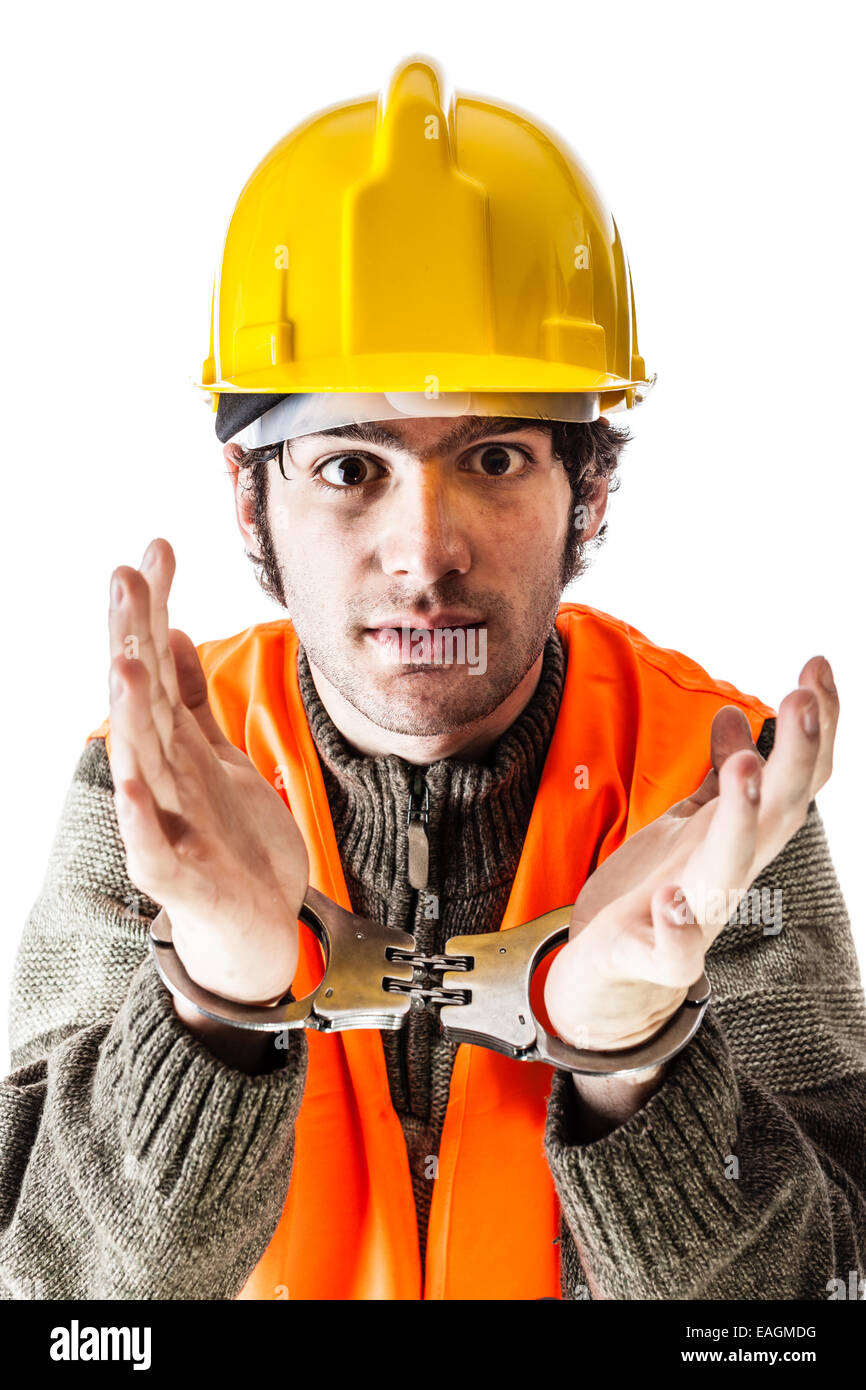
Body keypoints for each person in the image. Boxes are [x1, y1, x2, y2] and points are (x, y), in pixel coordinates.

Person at [2, 56, 864, 1302]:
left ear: (592, 491)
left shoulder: (710, 797)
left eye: (498, 455)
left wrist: (633, 1063)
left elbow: (809, 1313)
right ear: (250, 499)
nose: (424, 551)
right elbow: (51, 1311)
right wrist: (218, 1009)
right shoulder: (158, 791)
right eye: (350, 466)